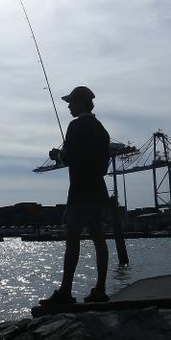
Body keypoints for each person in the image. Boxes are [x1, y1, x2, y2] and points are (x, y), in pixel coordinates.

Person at [40, 85, 111, 305]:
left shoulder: (75, 125)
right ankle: (100, 290)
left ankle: (65, 292)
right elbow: (103, 166)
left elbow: (70, 158)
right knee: (99, 239)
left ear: (80, 103)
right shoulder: (102, 129)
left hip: (80, 191)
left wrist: (57, 155)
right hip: (99, 190)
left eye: (71, 102)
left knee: (72, 239)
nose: (69, 106)